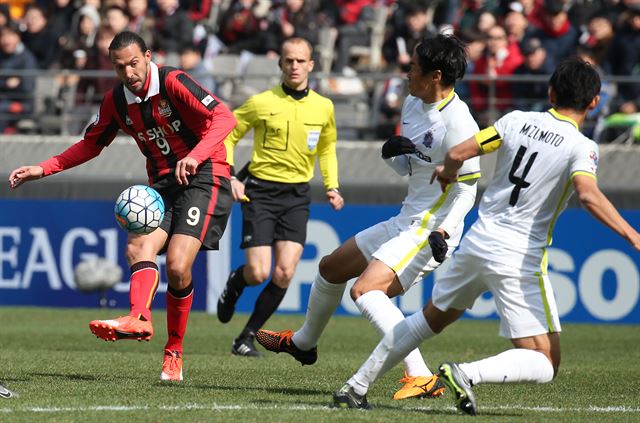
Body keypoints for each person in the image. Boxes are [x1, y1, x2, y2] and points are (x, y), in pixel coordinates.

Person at [330, 57, 640, 413]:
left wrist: (447, 170)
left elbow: (461, 150)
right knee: (546, 360)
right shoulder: (581, 146)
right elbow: (587, 194)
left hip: (477, 242)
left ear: (551, 91)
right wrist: (633, 235)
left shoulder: (515, 120)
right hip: (517, 256)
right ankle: (466, 373)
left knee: (425, 322)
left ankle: (355, 387)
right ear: (594, 101)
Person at [256, 34, 482, 401]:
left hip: (430, 229)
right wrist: (393, 155)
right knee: (330, 268)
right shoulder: (412, 103)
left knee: (365, 291)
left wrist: (444, 229)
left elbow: (467, 190)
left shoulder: (459, 124)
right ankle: (304, 343)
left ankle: (420, 375)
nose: (407, 73)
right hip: (406, 218)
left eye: (414, 68)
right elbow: (409, 168)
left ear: (436, 75)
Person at [8, 31, 237, 382]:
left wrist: (194, 156)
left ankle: (174, 349)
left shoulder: (174, 81)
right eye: (120, 67)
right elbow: (91, 144)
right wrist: (44, 168)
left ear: (148, 56)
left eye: (133, 63)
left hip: (205, 174)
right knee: (138, 245)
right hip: (163, 184)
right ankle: (139, 317)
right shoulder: (116, 101)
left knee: (177, 265)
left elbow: (225, 117)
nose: (129, 72)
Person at [216, 37, 344, 357]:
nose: (295, 66)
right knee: (258, 272)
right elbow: (228, 134)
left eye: (301, 61)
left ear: (311, 65)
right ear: (281, 64)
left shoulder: (323, 106)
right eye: (289, 60)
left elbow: (327, 147)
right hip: (259, 191)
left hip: (297, 195)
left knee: (285, 272)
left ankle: (245, 337)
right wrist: (230, 175)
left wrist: (332, 185)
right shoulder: (261, 102)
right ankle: (235, 284)